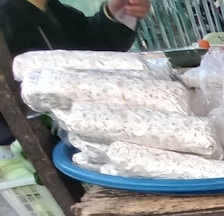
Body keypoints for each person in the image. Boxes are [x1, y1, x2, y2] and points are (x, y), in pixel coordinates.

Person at [0, 0, 152, 144]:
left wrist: (118, 14)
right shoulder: (8, 15)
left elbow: (92, 49)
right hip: (22, 147)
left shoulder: (51, 8)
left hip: (79, 132)